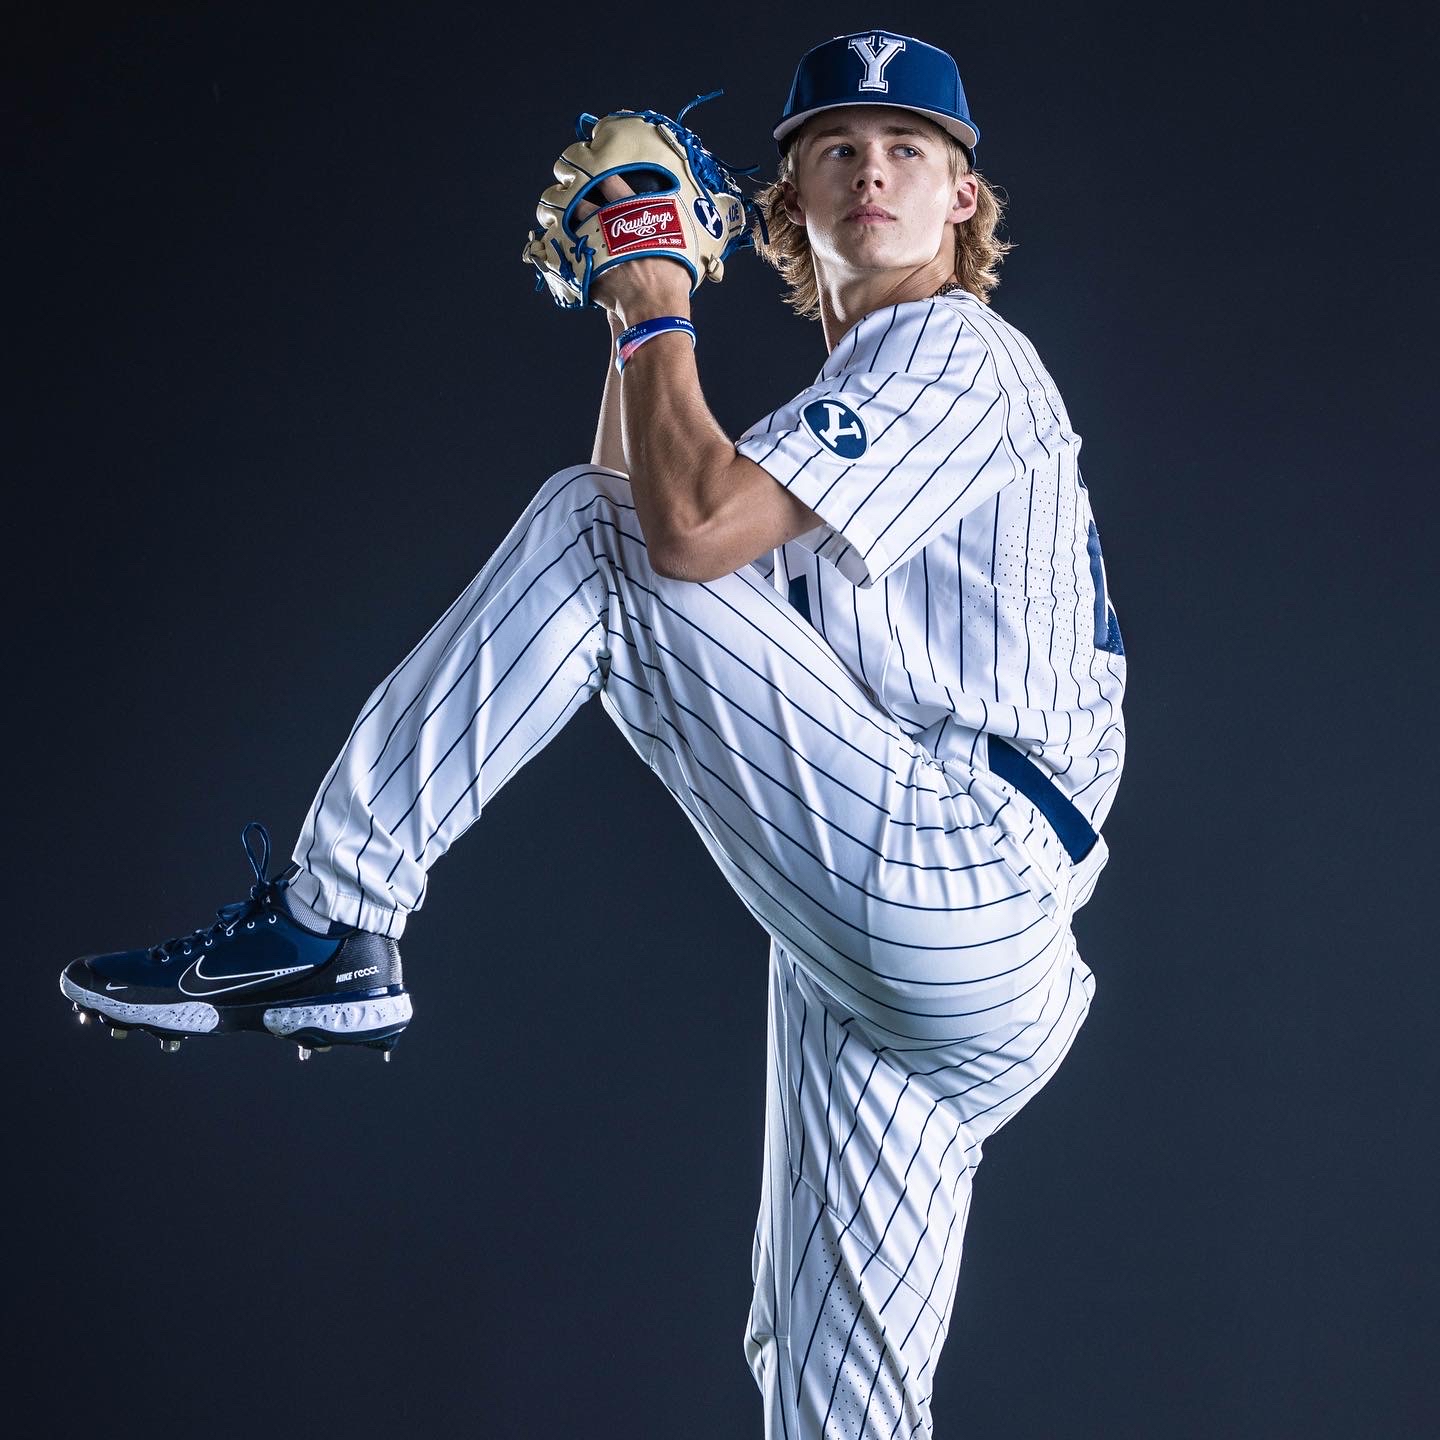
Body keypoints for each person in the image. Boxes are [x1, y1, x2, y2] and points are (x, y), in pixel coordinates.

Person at [60, 29, 1126, 1439]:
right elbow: (642, 553)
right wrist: (634, 303)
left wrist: (650, 276)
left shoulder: (959, 351)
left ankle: (337, 915)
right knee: (826, 1393)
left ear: (964, 202)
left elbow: (648, 538)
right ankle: (336, 924)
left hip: (964, 874)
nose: (876, 168)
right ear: (784, 202)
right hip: (905, 951)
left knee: (592, 528)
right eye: (838, 149)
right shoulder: (830, 422)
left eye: (912, 151)